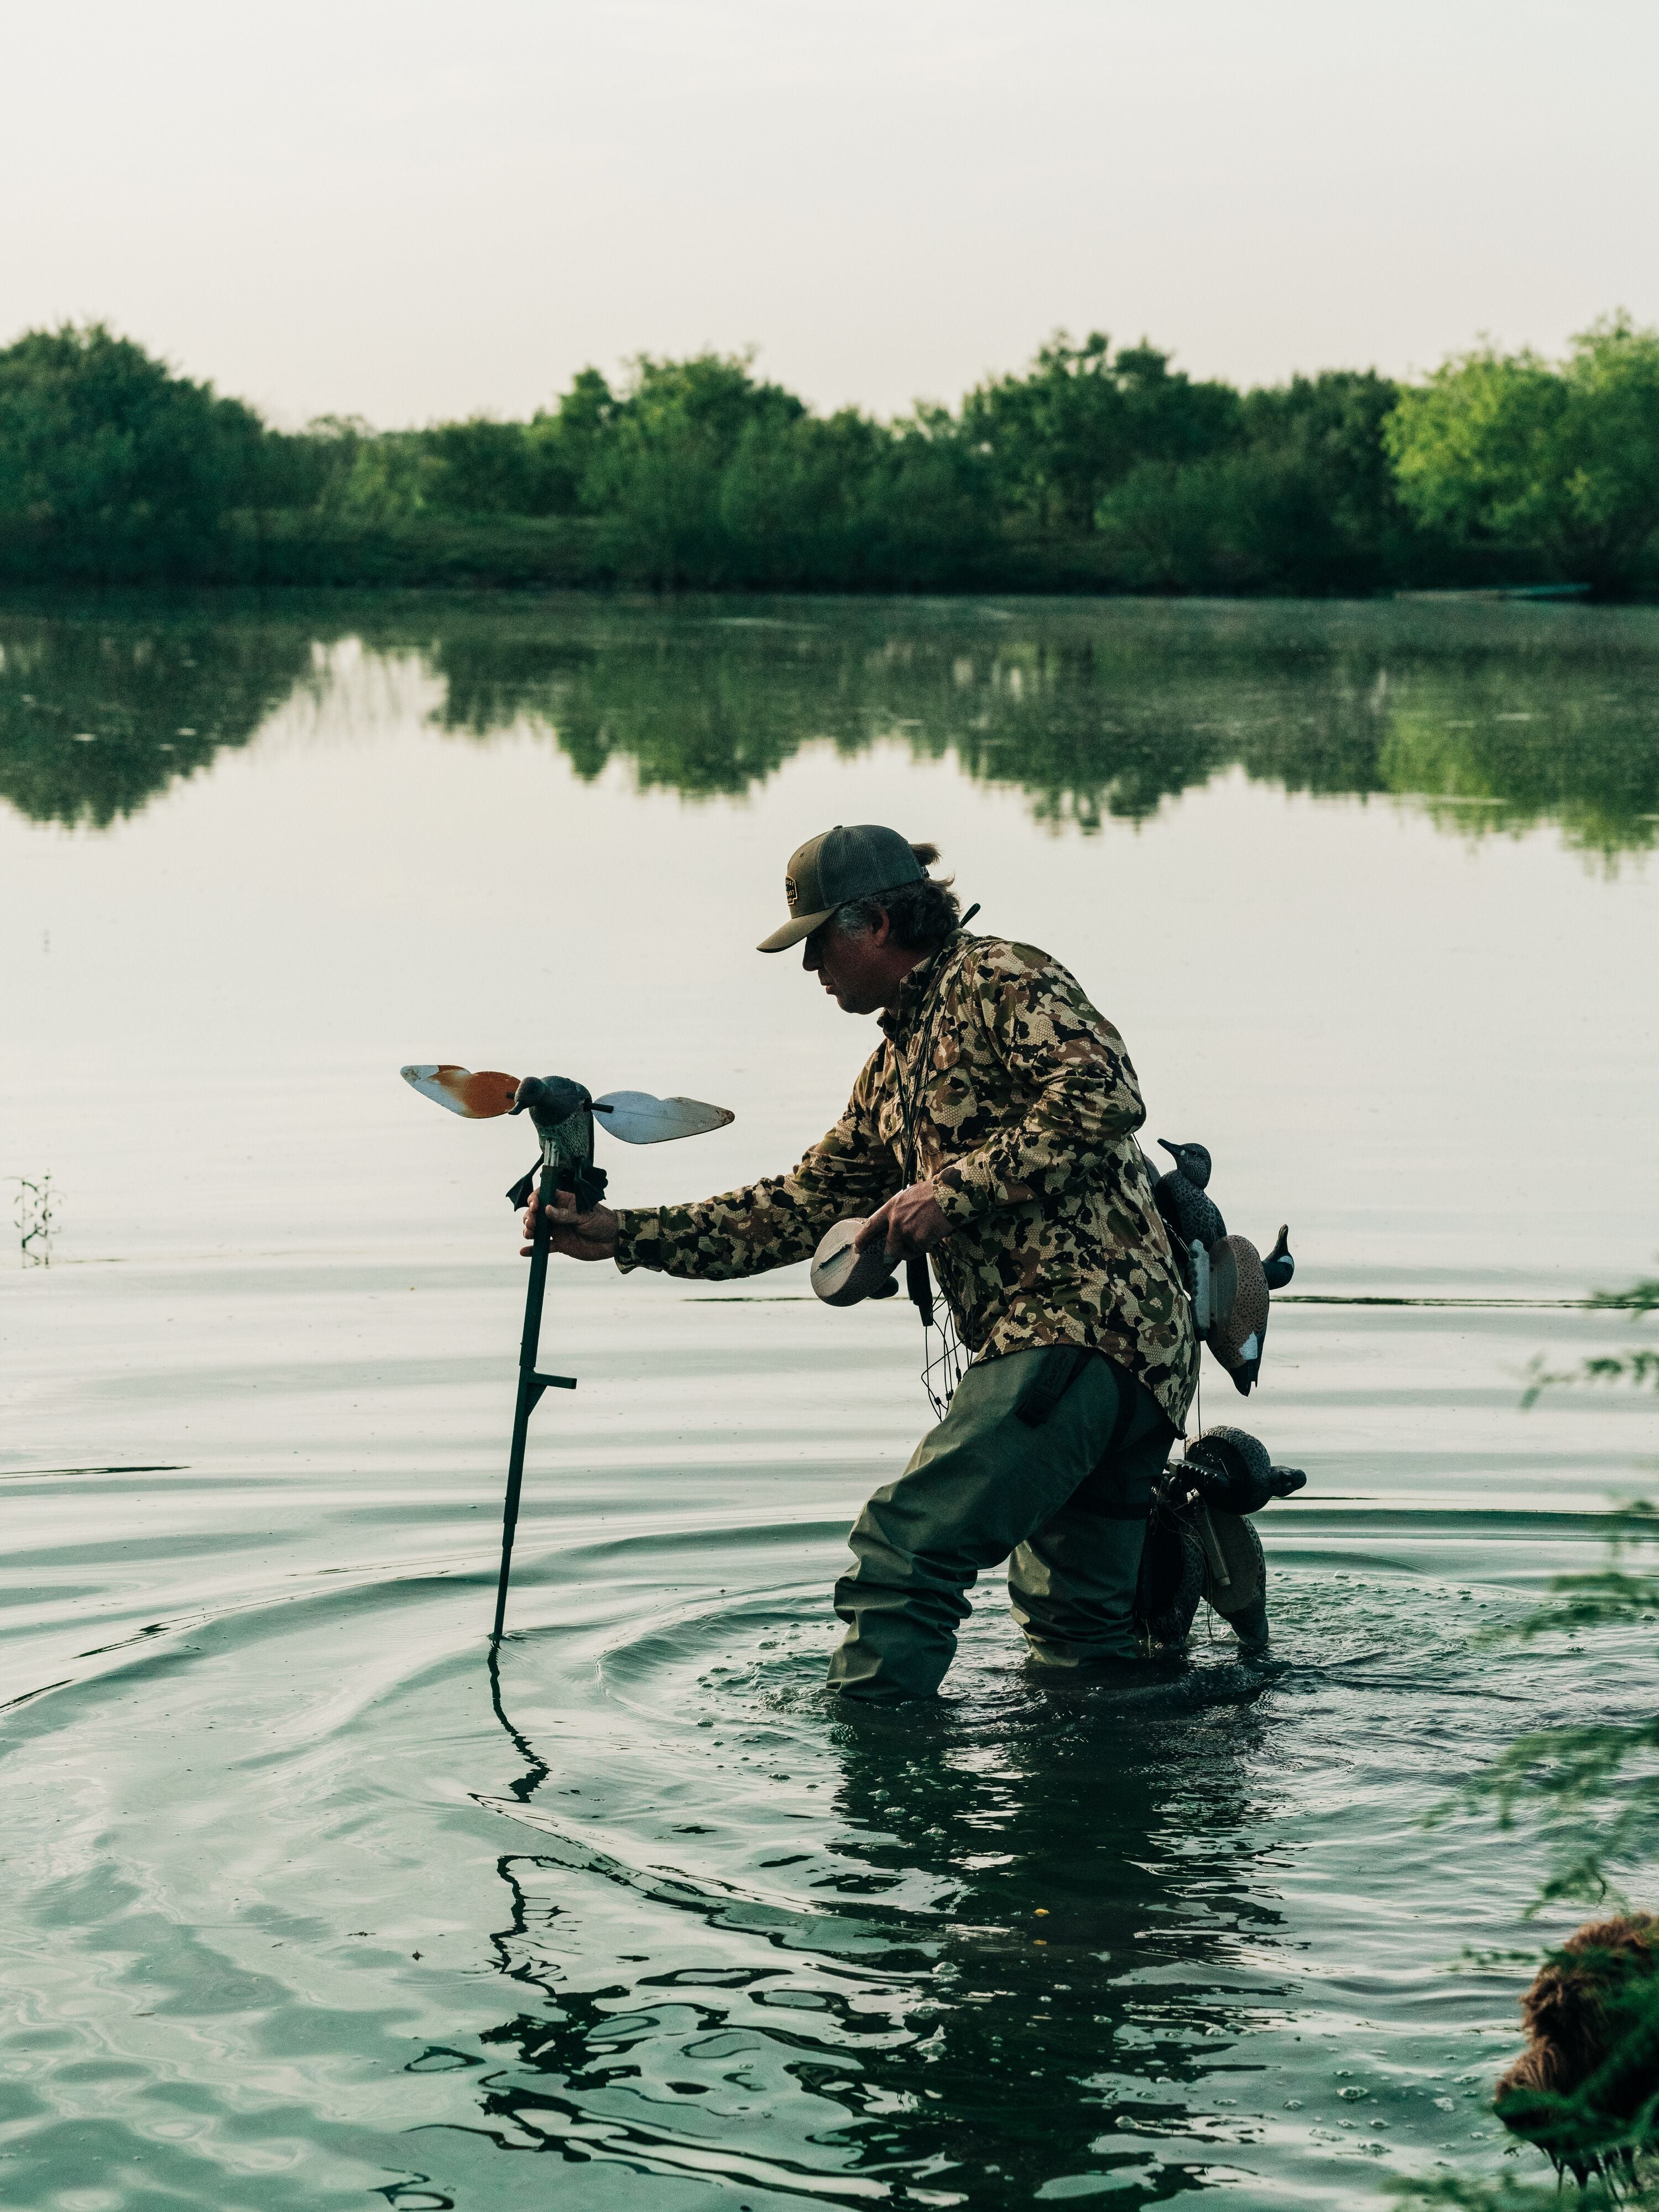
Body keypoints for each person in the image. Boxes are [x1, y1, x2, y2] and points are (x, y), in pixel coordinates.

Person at [521, 823, 1199, 1701]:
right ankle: (1125, 1791)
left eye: (817, 945)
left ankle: (879, 1806)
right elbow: (799, 1207)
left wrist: (947, 1192)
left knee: (904, 1548)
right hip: (1123, 1358)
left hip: (1075, 1332)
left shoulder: (998, 977)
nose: (810, 971)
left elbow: (1106, 1094)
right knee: (1080, 1638)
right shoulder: (892, 1069)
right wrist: (624, 1235)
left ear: (875, 923)